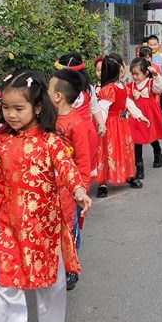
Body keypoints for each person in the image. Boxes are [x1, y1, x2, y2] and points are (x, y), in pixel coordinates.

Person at [0, 71, 94, 322]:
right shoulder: (1, 145)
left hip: (45, 226)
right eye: (6, 108)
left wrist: (79, 191)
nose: (11, 115)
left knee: (50, 281)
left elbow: (67, 168)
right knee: (6, 287)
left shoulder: (51, 141)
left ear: (37, 107)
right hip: (10, 229)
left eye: (19, 108)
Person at [48, 69, 96, 291]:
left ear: (58, 96)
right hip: (51, 187)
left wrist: (81, 190)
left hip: (71, 189)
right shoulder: (48, 119)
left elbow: (83, 161)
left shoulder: (76, 123)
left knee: (70, 228)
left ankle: (71, 269)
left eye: (49, 89)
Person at [95, 55, 148, 197]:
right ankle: (102, 183)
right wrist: (101, 125)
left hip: (122, 124)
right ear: (120, 68)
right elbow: (103, 108)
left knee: (125, 150)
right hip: (110, 126)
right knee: (107, 151)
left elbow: (128, 102)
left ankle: (128, 175)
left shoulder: (123, 87)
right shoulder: (109, 89)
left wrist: (139, 115)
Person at [129, 57, 162, 174]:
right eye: (132, 74)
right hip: (137, 116)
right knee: (137, 140)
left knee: (152, 137)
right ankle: (139, 167)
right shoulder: (131, 86)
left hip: (149, 114)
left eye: (137, 74)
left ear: (146, 73)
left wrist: (156, 75)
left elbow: (161, 86)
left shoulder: (151, 83)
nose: (134, 77)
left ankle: (157, 152)